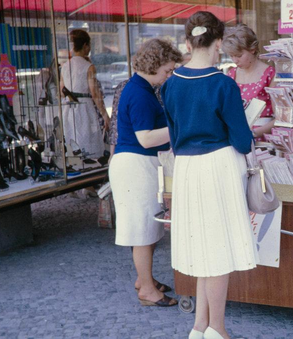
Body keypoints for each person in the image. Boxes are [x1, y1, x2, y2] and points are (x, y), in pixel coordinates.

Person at [162, 12, 258, 339]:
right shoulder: (223, 84)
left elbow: (174, 139)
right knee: (217, 253)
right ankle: (218, 329)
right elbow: (242, 140)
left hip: (187, 168)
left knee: (203, 250)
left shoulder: (171, 84)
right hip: (219, 165)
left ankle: (200, 326)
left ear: (188, 43)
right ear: (218, 42)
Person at [109, 39, 182, 307]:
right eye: (167, 70)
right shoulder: (140, 93)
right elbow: (146, 138)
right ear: (154, 65)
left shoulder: (143, 88)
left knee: (148, 226)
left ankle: (145, 279)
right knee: (142, 229)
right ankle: (147, 290)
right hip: (135, 165)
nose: (169, 75)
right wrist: (179, 130)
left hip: (138, 164)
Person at [60, 29, 110, 159]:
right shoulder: (89, 66)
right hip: (84, 107)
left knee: (72, 141)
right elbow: (95, 93)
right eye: (89, 46)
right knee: (88, 142)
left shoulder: (65, 66)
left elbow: (61, 91)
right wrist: (105, 116)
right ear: (85, 45)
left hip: (67, 107)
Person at [222, 24, 275, 139]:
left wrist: (254, 133)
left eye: (239, 55)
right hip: (237, 137)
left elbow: (281, 118)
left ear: (253, 49)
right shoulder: (231, 74)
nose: (235, 60)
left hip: (262, 139)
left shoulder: (270, 74)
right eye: (231, 56)